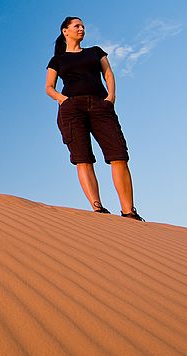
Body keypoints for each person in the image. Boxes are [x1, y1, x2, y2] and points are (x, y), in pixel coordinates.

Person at [45, 16, 144, 221]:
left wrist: (111, 97)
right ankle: (98, 209)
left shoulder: (95, 52)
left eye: (83, 26)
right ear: (65, 31)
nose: (81, 29)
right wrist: (63, 99)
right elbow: (48, 87)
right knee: (83, 159)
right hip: (72, 109)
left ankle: (129, 212)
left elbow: (108, 74)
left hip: (101, 106)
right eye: (76, 26)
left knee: (119, 155)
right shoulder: (57, 60)